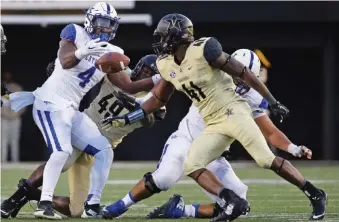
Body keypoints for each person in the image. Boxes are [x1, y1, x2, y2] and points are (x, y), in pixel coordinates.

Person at [102, 14, 327, 221]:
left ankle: (315, 194)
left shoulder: (206, 51)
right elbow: (159, 98)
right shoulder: (167, 62)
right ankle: (228, 202)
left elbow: (265, 120)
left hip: (232, 114)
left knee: (265, 160)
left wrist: (275, 105)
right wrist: (130, 117)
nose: (236, 79)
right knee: (191, 164)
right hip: (208, 125)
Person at [144, 49, 314, 220]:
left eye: (245, 76)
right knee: (190, 166)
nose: (239, 80)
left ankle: (181, 210)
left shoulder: (253, 96)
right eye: (237, 74)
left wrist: (293, 148)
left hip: (216, 148)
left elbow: (270, 132)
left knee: (240, 201)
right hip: (193, 137)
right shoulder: (212, 76)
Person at [0, 54, 164, 219]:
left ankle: (33, 195)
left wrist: (138, 110)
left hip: (100, 145)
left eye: (151, 73)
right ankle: (15, 199)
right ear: (139, 66)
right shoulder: (120, 73)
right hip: (84, 130)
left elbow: (149, 121)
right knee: (62, 161)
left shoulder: (153, 96)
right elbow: (90, 68)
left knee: (77, 210)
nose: (146, 75)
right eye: (145, 70)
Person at [1, 71, 25, 162]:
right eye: (5, 74)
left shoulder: (17, 87)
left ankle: (15, 161)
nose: (7, 76)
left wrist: (16, 114)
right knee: (3, 140)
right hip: (3, 118)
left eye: (9, 74)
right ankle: (2, 162)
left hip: (15, 118)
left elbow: (23, 103)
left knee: (14, 140)